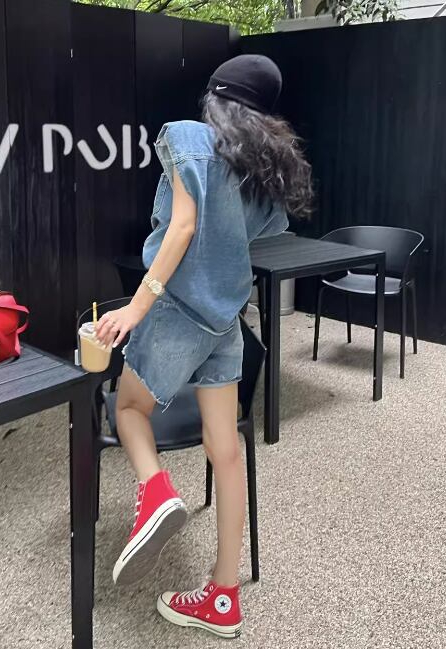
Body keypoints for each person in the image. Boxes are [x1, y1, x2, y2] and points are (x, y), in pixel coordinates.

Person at [95, 54, 313, 639]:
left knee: (128, 408)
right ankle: (222, 596)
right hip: (225, 321)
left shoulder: (187, 138)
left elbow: (184, 226)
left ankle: (156, 492)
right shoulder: (260, 171)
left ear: (216, 98)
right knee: (227, 451)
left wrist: (135, 308)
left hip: (176, 313)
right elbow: (255, 233)